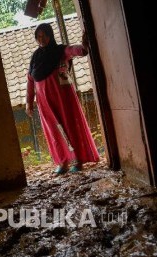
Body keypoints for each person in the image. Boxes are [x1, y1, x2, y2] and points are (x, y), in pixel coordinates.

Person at [25, 23, 99, 174]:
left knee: (69, 126)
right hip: (44, 102)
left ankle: (77, 160)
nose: (41, 39)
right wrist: (28, 103)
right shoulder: (35, 57)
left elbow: (73, 50)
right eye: (38, 36)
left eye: (44, 35)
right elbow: (30, 80)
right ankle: (62, 162)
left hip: (62, 97)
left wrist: (83, 47)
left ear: (50, 35)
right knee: (53, 131)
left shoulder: (60, 50)